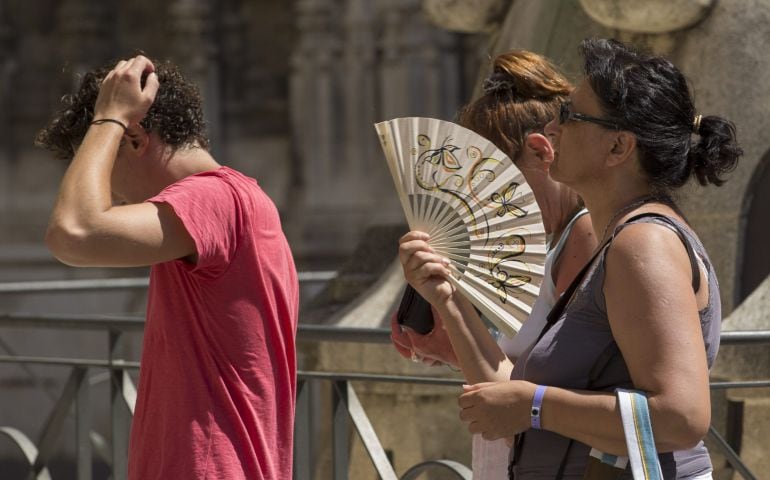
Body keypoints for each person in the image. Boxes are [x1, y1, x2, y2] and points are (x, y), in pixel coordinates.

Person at [446, 38, 742, 478]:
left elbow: (680, 417)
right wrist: (444, 296)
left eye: (569, 115)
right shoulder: (623, 238)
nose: (551, 129)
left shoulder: (642, 243)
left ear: (618, 148)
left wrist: (534, 405)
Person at [36, 56, 299, 480]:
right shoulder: (230, 202)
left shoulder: (213, 199)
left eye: (106, 167)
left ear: (136, 137)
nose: (112, 195)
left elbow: (72, 232)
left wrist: (107, 119)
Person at [392, 50, 596, 479]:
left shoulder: (585, 237)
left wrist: (451, 310)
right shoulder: (543, 242)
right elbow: (513, 379)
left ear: (542, 153)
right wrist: (449, 344)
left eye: (488, 184)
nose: (478, 204)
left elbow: (559, 395)